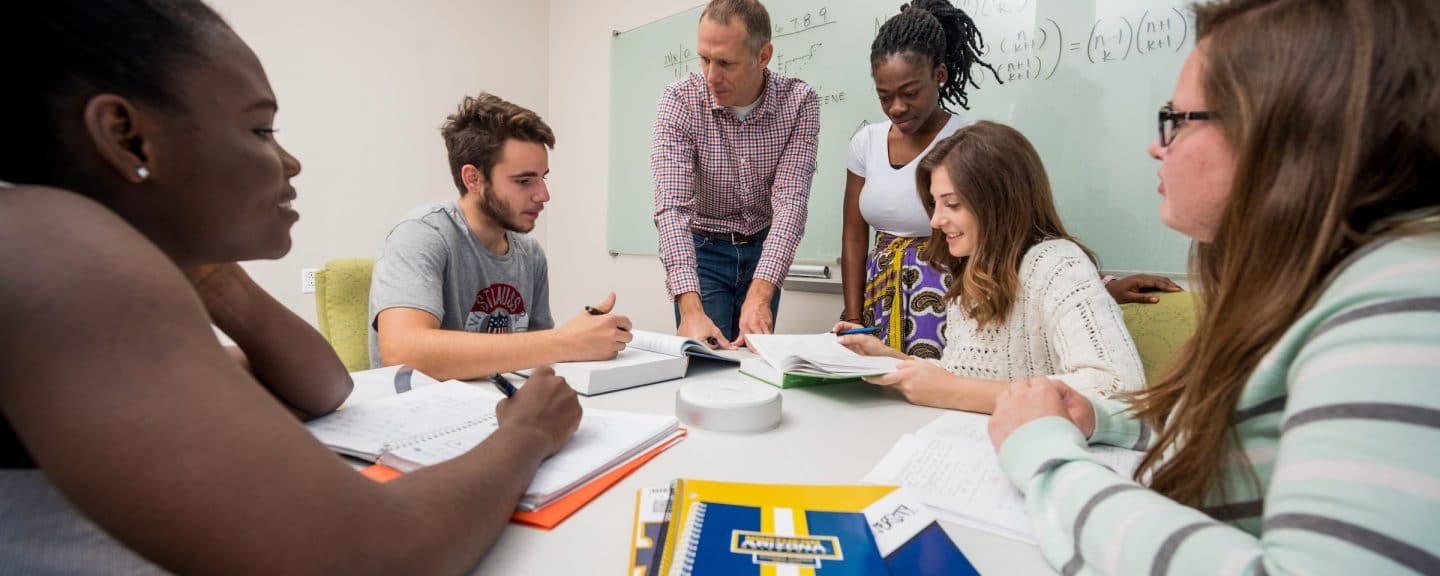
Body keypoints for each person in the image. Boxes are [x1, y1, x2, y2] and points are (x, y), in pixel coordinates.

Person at [0, 2, 582, 572]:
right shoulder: (45, 244)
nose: (291, 162)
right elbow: (371, 553)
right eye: (260, 129)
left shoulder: (91, 256)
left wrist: (210, 269)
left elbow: (322, 388)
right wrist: (527, 432)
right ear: (126, 137)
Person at [987, 0, 1440, 573]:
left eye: (1177, 120)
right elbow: (1252, 428)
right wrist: (1100, 417)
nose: (1158, 146)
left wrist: (1047, 462)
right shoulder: (1319, 281)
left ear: (1281, 131)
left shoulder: (1405, 307)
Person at [841, 0, 1182, 360]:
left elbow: (1015, 229)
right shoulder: (866, 142)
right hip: (879, 294)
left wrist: (1096, 289)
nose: (896, 107)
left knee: (943, 383)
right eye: (885, 96)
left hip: (954, 295)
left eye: (910, 93)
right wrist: (853, 316)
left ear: (939, 75)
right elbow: (853, 234)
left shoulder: (967, 142)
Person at [837, 121, 1145, 413]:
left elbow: (1119, 389)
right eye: (934, 204)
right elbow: (961, 376)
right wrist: (887, 358)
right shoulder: (971, 276)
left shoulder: (1058, 264)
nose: (936, 221)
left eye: (952, 204)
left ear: (997, 202)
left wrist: (953, 390)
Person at [370, 93, 632, 380]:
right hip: (425, 406)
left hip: (501, 402)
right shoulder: (421, 235)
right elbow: (403, 354)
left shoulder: (530, 254)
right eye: (524, 181)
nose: (543, 194)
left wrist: (583, 340)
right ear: (473, 179)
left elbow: (537, 355)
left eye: (543, 177)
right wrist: (567, 341)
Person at [651, 0, 821, 348]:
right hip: (703, 251)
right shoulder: (680, 100)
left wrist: (761, 294)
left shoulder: (799, 102)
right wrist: (690, 309)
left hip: (764, 251)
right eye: (704, 59)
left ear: (763, 55)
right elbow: (672, 208)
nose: (711, 76)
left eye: (726, 63)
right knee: (706, 360)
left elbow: (791, 202)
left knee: (755, 360)